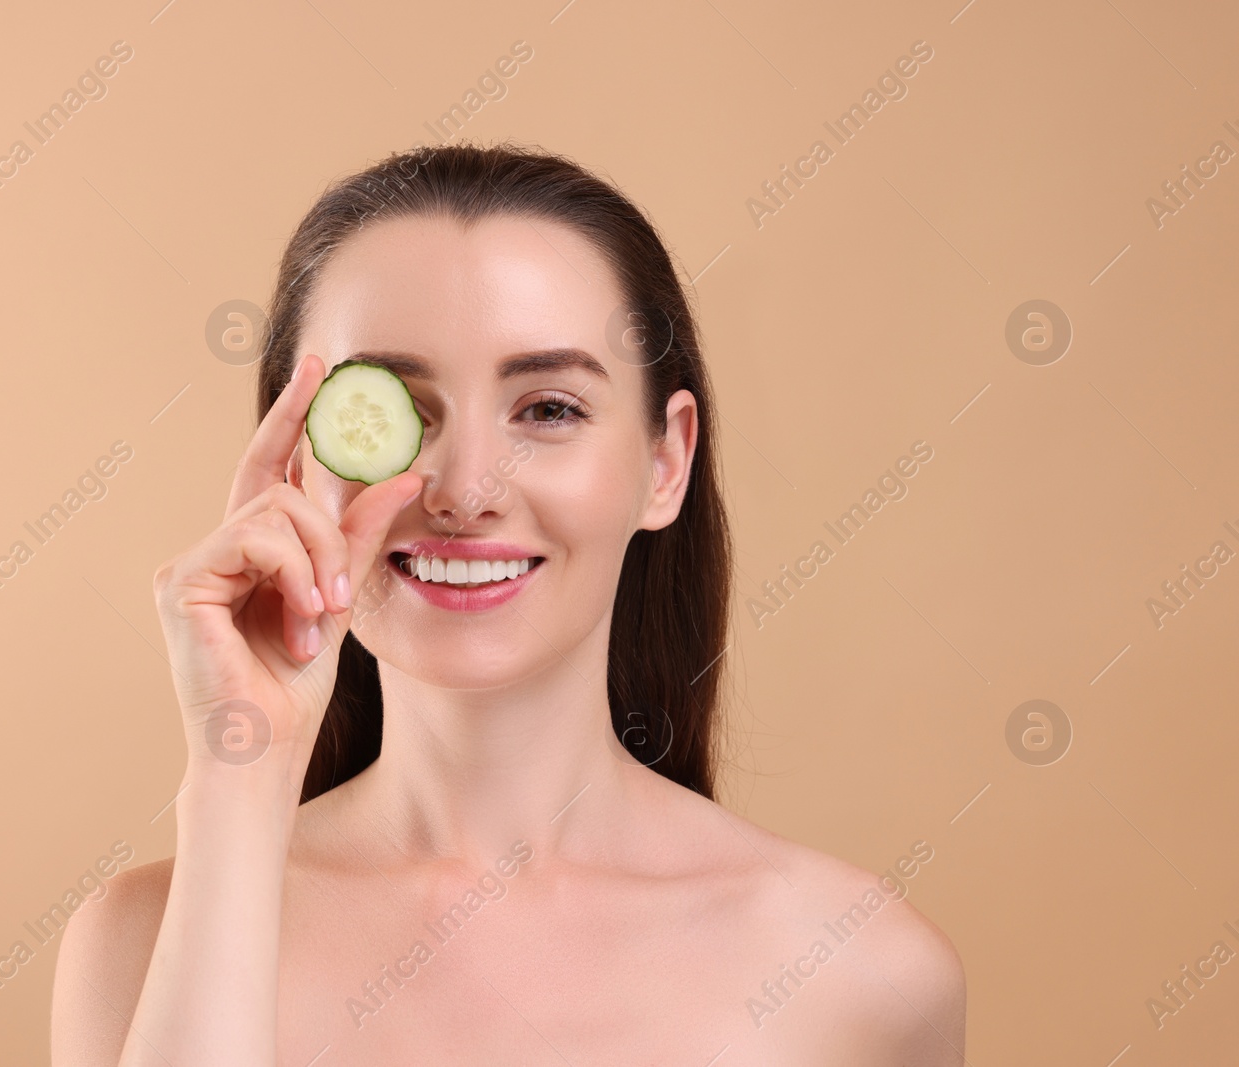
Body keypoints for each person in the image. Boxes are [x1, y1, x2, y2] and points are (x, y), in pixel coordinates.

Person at [50, 141, 965, 1066]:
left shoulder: (864, 972)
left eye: (550, 409)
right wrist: (240, 771)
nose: (465, 488)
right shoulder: (139, 944)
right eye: (395, 409)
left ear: (665, 461)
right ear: (293, 463)